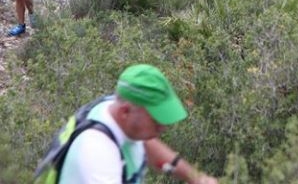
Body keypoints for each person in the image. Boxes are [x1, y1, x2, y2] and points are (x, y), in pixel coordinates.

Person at [38, 63, 217, 184]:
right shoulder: (97, 153)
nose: (163, 127)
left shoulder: (113, 109)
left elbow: (148, 143)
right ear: (125, 112)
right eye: (156, 120)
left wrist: (197, 178)